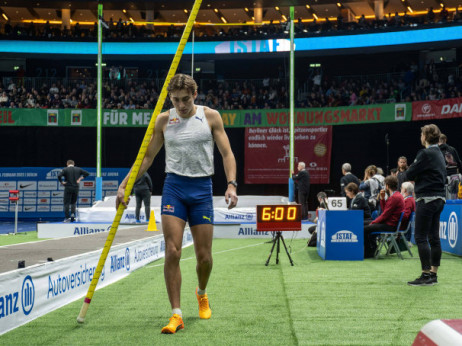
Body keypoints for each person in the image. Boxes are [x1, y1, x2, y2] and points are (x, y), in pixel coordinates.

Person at [116, 73, 238, 334]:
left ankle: (202, 292)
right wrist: (125, 184)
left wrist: (231, 184)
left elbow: (227, 153)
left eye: (185, 99)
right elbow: (147, 157)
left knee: (204, 257)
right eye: (176, 100)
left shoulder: (211, 116)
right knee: (172, 251)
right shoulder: (164, 120)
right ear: (170, 99)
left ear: (195, 95)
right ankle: (176, 314)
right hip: (174, 188)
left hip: (202, 189)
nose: (181, 105)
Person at [405, 124, 446, 286]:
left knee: (421, 237)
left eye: (421, 134)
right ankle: (433, 275)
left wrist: (418, 173)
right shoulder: (439, 153)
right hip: (440, 199)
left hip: (426, 198)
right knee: (434, 237)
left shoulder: (425, 153)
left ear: (426, 137)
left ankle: (425, 274)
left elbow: (409, 173)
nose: (420, 137)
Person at [363, 175, 404, 258]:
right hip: (389, 223)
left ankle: (369, 252)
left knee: (365, 228)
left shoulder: (394, 197)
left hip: (390, 225)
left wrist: (373, 222)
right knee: (363, 223)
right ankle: (372, 249)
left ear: (387, 186)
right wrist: (382, 199)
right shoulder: (395, 196)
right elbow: (386, 210)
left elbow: (385, 215)